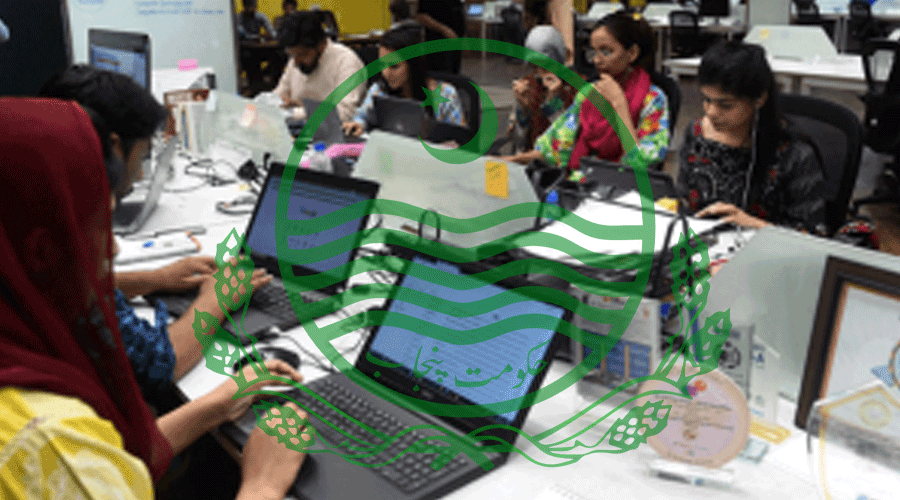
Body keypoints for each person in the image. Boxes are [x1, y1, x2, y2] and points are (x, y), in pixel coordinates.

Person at [0, 98, 307, 500]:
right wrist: (261, 485)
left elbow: (121, 455)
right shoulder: (48, 444)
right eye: (101, 225)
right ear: (44, 251)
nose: (113, 250)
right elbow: (84, 458)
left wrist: (222, 400)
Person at [38, 65, 276, 403]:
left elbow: (70, 286)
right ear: (113, 148)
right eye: (143, 155)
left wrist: (155, 278)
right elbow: (158, 364)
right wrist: (216, 300)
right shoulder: (55, 231)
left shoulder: (30, 202)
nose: (138, 176)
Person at [678, 41, 827, 233]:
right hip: (701, 243)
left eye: (725, 105)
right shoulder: (697, 133)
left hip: (765, 248)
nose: (711, 112)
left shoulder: (795, 153)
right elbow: (682, 199)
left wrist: (754, 224)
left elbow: (812, 235)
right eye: (706, 100)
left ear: (759, 99)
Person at [502, 13, 669, 173]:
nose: (596, 60)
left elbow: (639, 165)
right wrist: (522, 110)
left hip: (623, 186)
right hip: (581, 180)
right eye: (593, 52)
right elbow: (554, 146)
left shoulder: (653, 100)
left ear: (632, 53)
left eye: (606, 52)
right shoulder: (589, 92)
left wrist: (619, 104)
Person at [341, 26, 466, 138]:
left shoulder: (445, 94)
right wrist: (359, 123)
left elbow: (461, 139)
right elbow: (361, 115)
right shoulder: (379, 90)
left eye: (394, 66)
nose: (386, 73)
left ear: (413, 65)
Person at [273, 11, 366, 123]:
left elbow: (344, 113)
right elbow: (277, 96)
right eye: (292, 55)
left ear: (321, 44)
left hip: (335, 132)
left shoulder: (346, 61)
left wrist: (293, 112)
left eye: (302, 55)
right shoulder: (296, 60)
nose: (295, 62)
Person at [509, 22, 578, 152]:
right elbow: (518, 142)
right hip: (531, 157)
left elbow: (569, 145)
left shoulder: (576, 89)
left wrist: (554, 104)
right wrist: (522, 109)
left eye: (546, 65)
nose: (540, 73)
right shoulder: (529, 85)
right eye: (534, 66)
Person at [417, 0, 465, 73]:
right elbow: (422, 16)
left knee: (454, 74)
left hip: (455, 44)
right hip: (438, 45)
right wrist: (444, 30)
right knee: (441, 74)